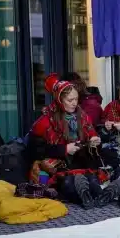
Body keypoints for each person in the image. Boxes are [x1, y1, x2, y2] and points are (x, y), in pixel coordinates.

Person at [28, 73, 107, 207]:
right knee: (68, 184)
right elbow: (34, 150)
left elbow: (92, 137)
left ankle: (98, 194)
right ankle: (85, 194)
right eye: (70, 100)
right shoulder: (45, 121)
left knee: (92, 181)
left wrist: (95, 141)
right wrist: (64, 149)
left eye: (76, 99)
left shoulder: (82, 116)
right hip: (58, 167)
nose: (74, 103)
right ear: (60, 100)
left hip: (80, 163)